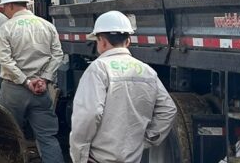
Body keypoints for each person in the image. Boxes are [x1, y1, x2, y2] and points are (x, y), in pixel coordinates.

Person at [69, 11, 177, 163]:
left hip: (99, 158)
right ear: (128, 41)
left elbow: (89, 114)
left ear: (102, 41)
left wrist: (79, 154)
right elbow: (168, 109)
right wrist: (147, 139)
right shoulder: (147, 71)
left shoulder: (99, 68)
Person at [0, 0, 65, 163]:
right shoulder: (47, 26)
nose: (4, 10)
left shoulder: (7, 28)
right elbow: (57, 54)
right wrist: (44, 79)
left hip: (14, 89)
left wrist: (26, 82)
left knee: (10, 136)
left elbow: (5, 60)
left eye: (4, 7)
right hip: (41, 90)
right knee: (47, 137)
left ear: (10, 5)